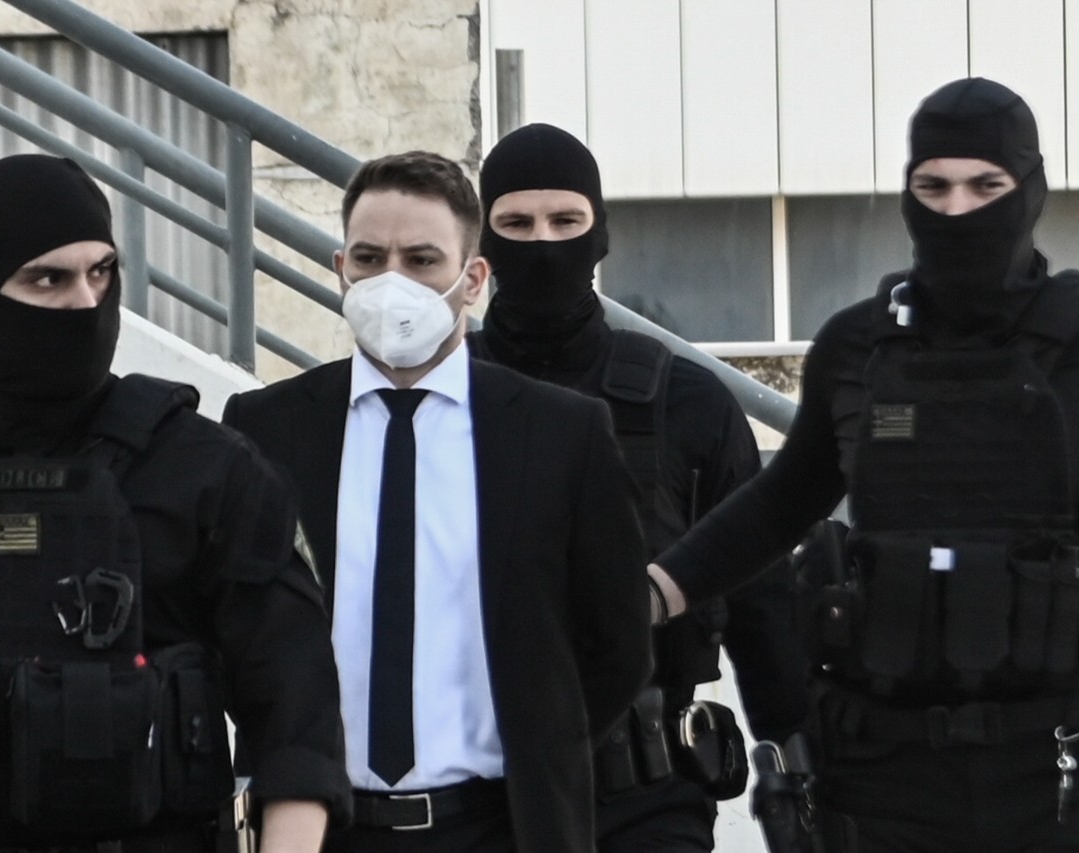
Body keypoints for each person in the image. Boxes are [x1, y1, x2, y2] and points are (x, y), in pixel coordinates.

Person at [0, 154, 350, 853]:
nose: (86, 303)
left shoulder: (210, 471)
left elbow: (297, 721)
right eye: (48, 279)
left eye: (101, 271)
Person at [648, 78, 1079, 851]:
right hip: (883, 768)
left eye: (986, 186)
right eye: (933, 187)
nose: (957, 209)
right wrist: (652, 592)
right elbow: (781, 503)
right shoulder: (858, 346)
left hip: (1053, 765)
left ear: (1031, 189)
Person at [223, 150, 651, 852]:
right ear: (340, 269)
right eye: (369, 258)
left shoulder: (560, 432)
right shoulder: (267, 427)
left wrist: (542, 747)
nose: (391, 281)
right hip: (322, 828)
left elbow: (620, 643)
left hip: (499, 828)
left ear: (473, 278)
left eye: (422, 260)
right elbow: (238, 631)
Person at [468, 123, 808, 851]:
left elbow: (761, 599)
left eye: (565, 221)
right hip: (471, 795)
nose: (543, 244)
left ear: (600, 233)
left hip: (647, 797)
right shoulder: (434, 395)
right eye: (516, 224)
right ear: (483, 243)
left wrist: (798, 761)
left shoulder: (687, 402)